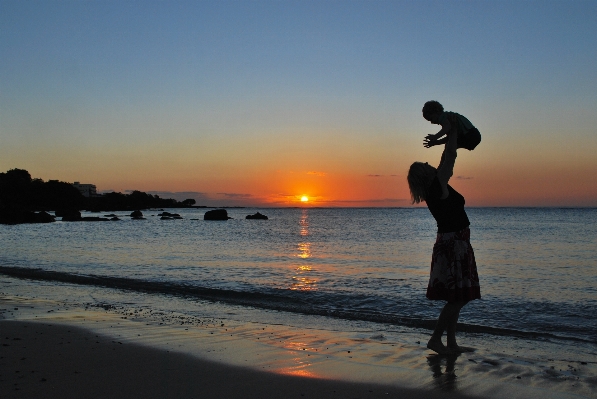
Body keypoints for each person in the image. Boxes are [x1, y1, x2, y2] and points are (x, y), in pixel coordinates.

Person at [407, 126, 481, 355]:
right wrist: (453, 138)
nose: (431, 165)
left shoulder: (435, 188)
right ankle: (436, 339)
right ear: (425, 174)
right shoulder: (437, 186)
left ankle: (451, 343)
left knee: (457, 296)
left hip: (453, 243)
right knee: (458, 299)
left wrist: (450, 138)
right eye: (427, 166)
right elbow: (449, 157)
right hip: (454, 246)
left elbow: (446, 158)